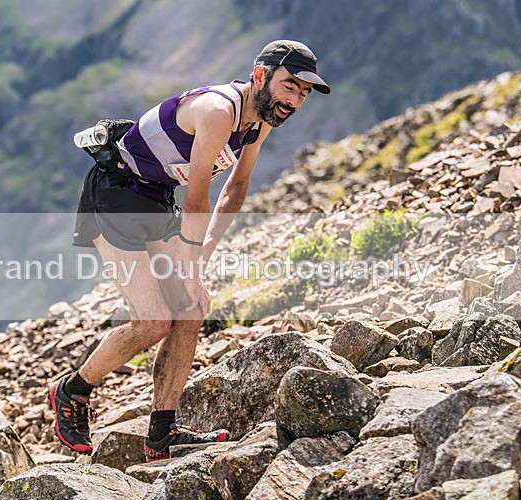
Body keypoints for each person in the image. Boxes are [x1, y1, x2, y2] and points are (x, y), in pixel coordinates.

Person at [49, 40, 330, 461]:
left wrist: (201, 253)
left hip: (157, 197)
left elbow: (236, 187)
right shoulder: (218, 111)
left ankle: (162, 434)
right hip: (115, 192)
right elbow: (198, 199)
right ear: (260, 76)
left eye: (303, 93)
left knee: (191, 309)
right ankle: (72, 391)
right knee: (154, 321)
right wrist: (191, 269)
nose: (294, 101)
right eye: (289, 86)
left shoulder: (260, 121)